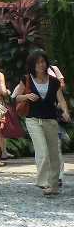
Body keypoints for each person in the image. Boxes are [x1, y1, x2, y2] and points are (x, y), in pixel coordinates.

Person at [12, 49, 72, 197]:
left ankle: (53, 186)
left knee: (54, 154)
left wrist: (65, 111)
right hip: (33, 120)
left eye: (43, 61)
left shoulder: (54, 81)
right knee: (43, 151)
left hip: (51, 120)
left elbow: (61, 99)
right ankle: (43, 181)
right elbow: (15, 98)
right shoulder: (26, 79)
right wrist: (26, 96)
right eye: (38, 62)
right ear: (32, 64)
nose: (41, 64)